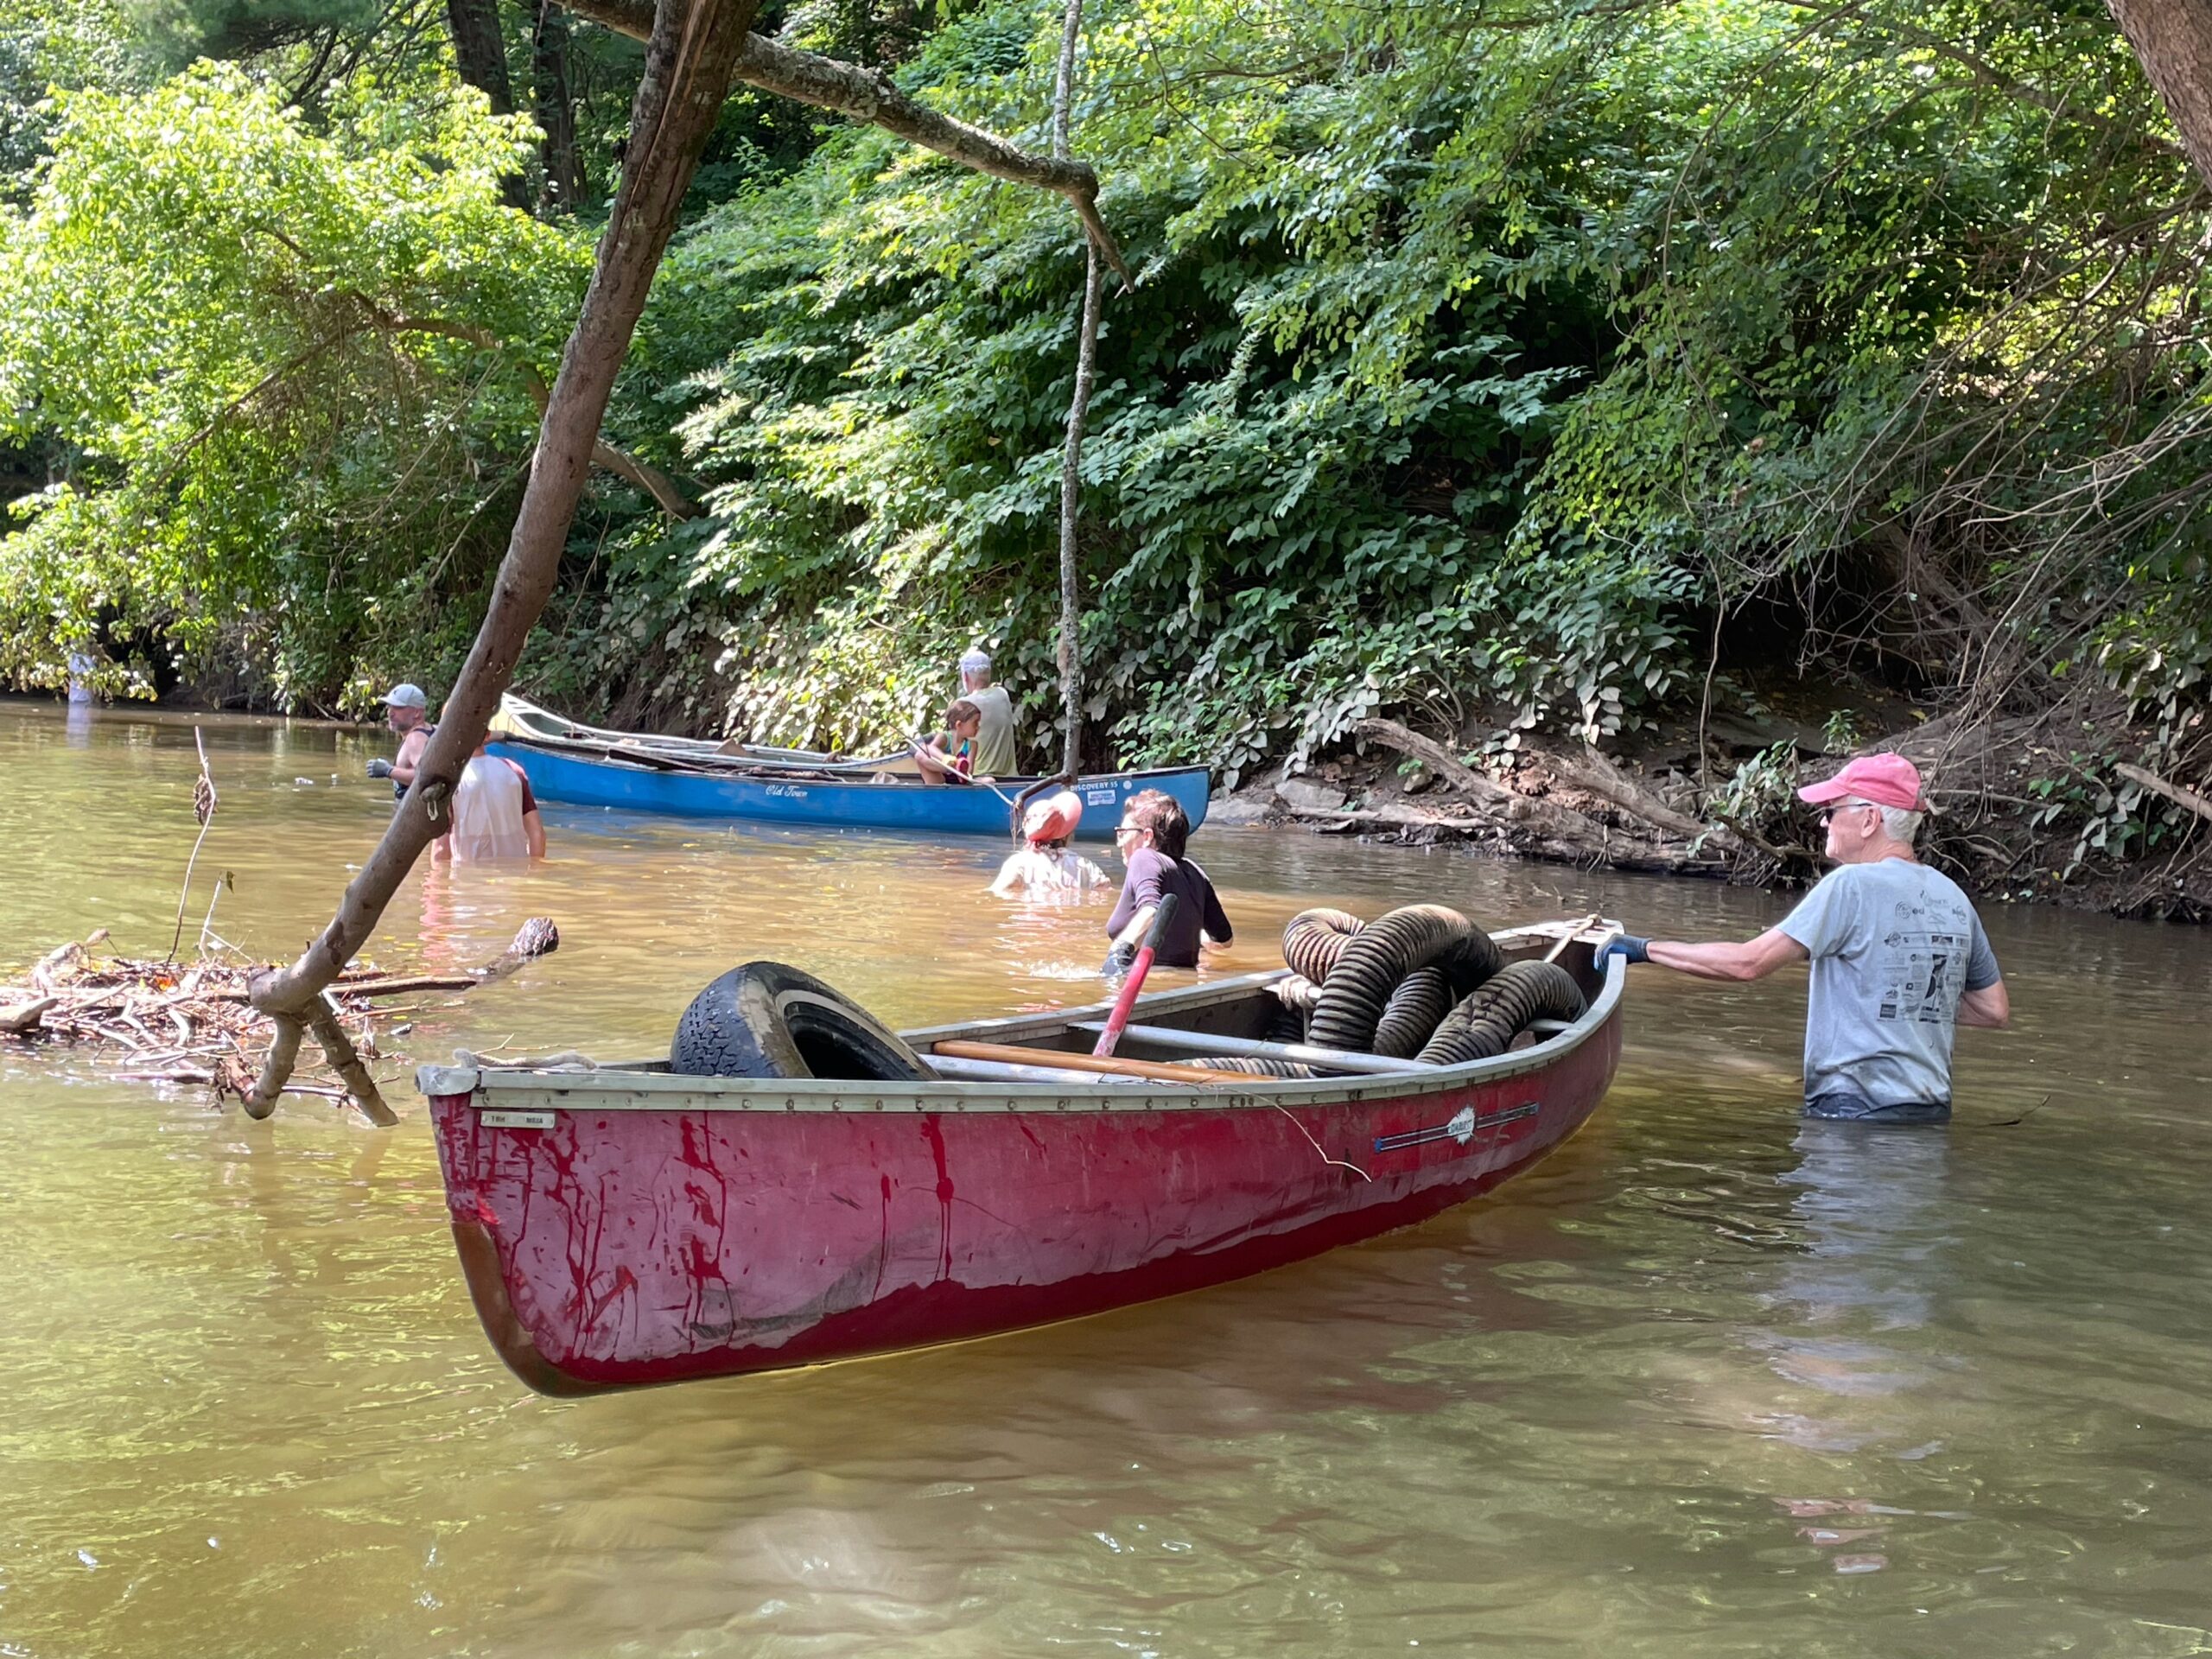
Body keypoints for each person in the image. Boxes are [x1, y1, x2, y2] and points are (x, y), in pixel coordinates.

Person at [1596, 753, 2008, 1123]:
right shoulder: (1954, 898)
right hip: (1929, 1111)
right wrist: (1899, 1001)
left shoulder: (1852, 885)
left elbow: (1748, 963)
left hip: (1851, 1106)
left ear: (1869, 820)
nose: (1823, 820)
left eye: (1832, 810)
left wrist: (1643, 948)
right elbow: (1993, 1010)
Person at [1103, 788, 1231, 974]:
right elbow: (1224, 940)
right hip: (1184, 985)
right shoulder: (1194, 872)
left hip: (1143, 984)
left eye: (1123, 833)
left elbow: (1151, 910)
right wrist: (1192, 935)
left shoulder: (1143, 857)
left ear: (1147, 836)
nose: (1119, 843)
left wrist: (1119, 952)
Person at [433, 737, 546, 863]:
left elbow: (441, 848)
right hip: (514, 875)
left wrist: (437, 880)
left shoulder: (448, 780)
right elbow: (537, 833)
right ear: (487, 735)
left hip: (468, 878)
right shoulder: (514, 771)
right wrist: (534, 871)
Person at [991, 789, 1109, 896]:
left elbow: (997, 892)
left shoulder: (1018, 863)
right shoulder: (1086, 866)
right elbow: (1106, 893)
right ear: (1067, 834)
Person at [957, 647, 1019, 777]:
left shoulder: (963, 705)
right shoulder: (1002, 694)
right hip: (1010, 778)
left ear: (966, 677)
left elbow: (952, 743)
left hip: (979, 779)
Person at [367, 683, 435, 801]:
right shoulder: (432, 730)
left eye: (398, 708)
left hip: (416, 818)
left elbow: (427, 777)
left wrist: (388, 770)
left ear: (417, 713)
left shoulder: (415, 739)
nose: (390, 713)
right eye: (389, 706)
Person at [917, 698, 982, 784]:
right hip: (940, 778)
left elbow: (969, 772)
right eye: (975, 723)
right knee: (920, 755)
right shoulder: (944, 737)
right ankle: (950, 768)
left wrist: (962, 771)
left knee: (990, 780)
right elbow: (930, 748)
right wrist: (945, 759)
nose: (978, 727)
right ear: (959, 725)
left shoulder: (972, 745)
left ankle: (954, 769)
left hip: (960, 779)